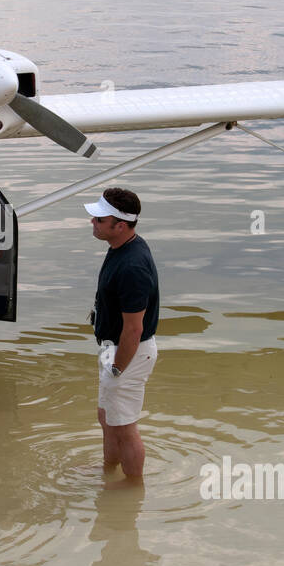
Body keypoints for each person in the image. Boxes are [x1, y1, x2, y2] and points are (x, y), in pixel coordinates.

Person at [85, 187, 159, 479]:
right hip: (113, 350)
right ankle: (108, 471)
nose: (93, 222)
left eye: (100, 220)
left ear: (121, 225)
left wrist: (117, 369)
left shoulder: (132, 266)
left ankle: (132, 490)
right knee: (107, 419)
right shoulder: (121, 247)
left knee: (125, 427)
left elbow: (134, 328)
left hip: (128, 354)